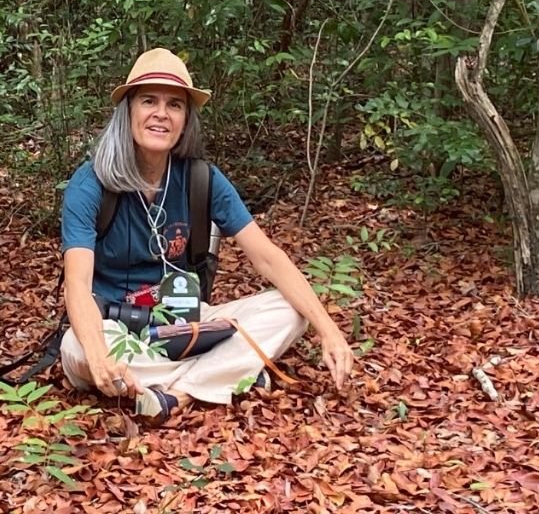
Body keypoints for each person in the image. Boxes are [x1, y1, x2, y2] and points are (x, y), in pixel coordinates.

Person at [59, 47, 355, 420]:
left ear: (186, 119)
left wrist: (328, 329)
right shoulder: (91, 185)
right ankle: (230, 373)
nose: (161, 114)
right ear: (128, 111)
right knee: (76, 347)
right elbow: (77, 284)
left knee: (290, 311)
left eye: (175, 105)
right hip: (115, 325)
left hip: (184, 325)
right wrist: (100, 356)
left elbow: (266, 256)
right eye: (149, 101)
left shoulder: (200, 179)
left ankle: (176, 395)